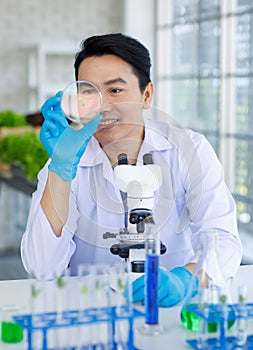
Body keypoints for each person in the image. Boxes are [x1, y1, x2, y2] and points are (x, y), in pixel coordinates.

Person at [21, 33, 242, 307]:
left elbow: (222, 239)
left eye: (115, 91)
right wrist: (61, 170)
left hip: (173, 311)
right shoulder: (65, 161)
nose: (102, 107)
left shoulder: (189, 150)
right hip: (93, 314)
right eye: (89, 93)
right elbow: (42, 268)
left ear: (146, 94)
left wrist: (188, 280)